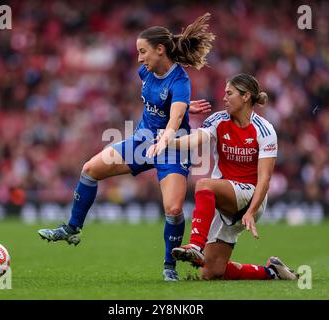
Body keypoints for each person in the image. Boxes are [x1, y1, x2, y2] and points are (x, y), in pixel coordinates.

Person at [38, 13, 216, 281]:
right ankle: (72, 228)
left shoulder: (180, 80)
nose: (139, 58)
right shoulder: (144, 71)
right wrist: (183, 105)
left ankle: (170, 267)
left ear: (160, 50)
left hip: (173, 147)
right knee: (89, 169)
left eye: (143, 51)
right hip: (143, 140)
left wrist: (168, 135)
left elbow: (176, 118)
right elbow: (169, 104)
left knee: (174, 209)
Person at [169, 73, 299, 281]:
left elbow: (264, 179)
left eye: (229, 93)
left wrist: (251, 212)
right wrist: (169, 141)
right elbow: (195, 140)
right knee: (211, 272)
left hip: (251, 197)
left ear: (246, 96)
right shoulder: (217, 120)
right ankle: (271, 272)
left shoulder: (264, 130)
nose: (224, 98)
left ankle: (195, 244)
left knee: (204, 184)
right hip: (225, 200)